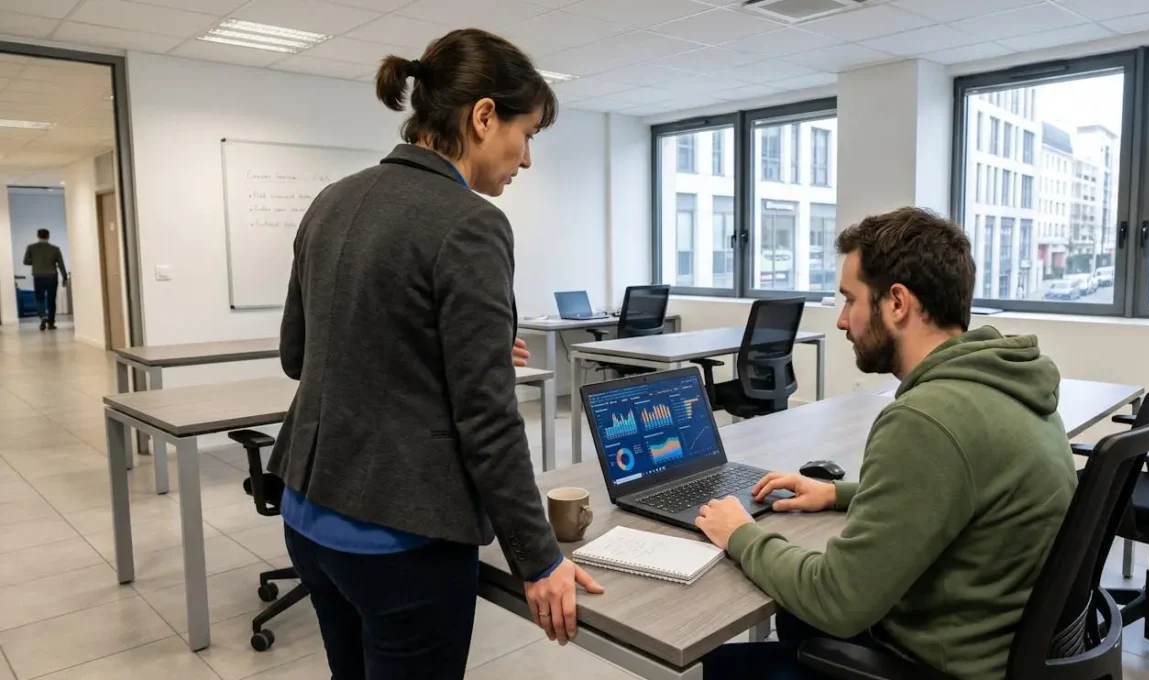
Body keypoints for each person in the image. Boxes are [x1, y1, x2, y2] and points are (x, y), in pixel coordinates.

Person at [268, 28, 601, 679]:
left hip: (308, 515)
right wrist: (540, 560)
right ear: (483, 116)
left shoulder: (331, 201)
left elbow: (298, 355)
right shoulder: (470, 222)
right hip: (400, 542)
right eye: (525, 134)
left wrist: (449, 350)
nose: (526, 158)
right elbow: (487, 420)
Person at [694, 207, 1078, 680]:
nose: (841, 321)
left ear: (897, 303)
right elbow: (965, 488)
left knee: (720, 663)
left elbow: (837, 600)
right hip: (995, 643)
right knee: (792, 615)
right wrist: (837, 493)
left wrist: (740, 534)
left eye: (849, 300)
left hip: (938, 665)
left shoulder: (926, 420)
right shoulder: (1010, 382)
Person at [23, 228, 67, 331]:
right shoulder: (55, 249)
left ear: (38, 236)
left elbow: (25, 261)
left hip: (38, 276)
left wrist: (36, 263)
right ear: (48, 236)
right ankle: (51, 324)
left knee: (39, 298)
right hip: (52, 276)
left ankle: (43, 317)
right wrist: (65, 277)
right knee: (51, 300)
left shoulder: (31, 248)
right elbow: (61, 264)